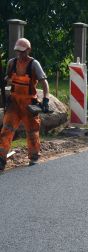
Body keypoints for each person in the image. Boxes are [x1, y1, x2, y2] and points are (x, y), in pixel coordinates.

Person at [0, 38, 50, 170]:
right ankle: (1, 159)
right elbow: (8, 78)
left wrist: (46, 99)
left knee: (32, 131)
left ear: (28, 50)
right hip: (14, 103)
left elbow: (44, 82)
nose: (19, 54)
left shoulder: (34, 64)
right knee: (6, 130)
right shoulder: (12, 63)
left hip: (29, 104)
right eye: (18, 51)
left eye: (22, 52)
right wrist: (5, 81)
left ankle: (33, 157)